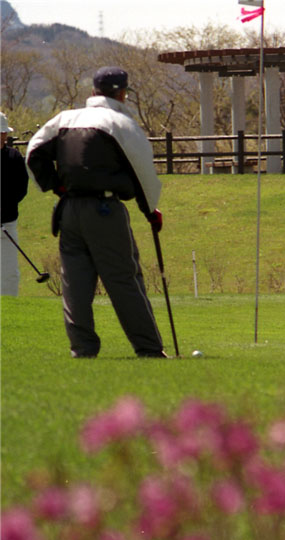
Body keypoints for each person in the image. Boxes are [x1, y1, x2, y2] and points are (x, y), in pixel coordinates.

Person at [26, 66, 167, 358]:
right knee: (123, 279)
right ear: (122, 93)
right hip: (105, 211)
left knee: (75, 283)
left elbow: (34, 151)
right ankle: (149, 348)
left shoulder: (65, 118)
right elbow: (143, 172)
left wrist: (55, 187)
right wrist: (150, 210)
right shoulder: (120, 122)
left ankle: (83, 349)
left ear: (93, 92)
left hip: (69, 211)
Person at [1, 112, 29, 296]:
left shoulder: (14, 157)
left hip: (7, 224)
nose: (2, 136)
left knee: (9, 273)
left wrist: (5, 207)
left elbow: (21, 189)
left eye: (3, 133)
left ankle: (9, 306)